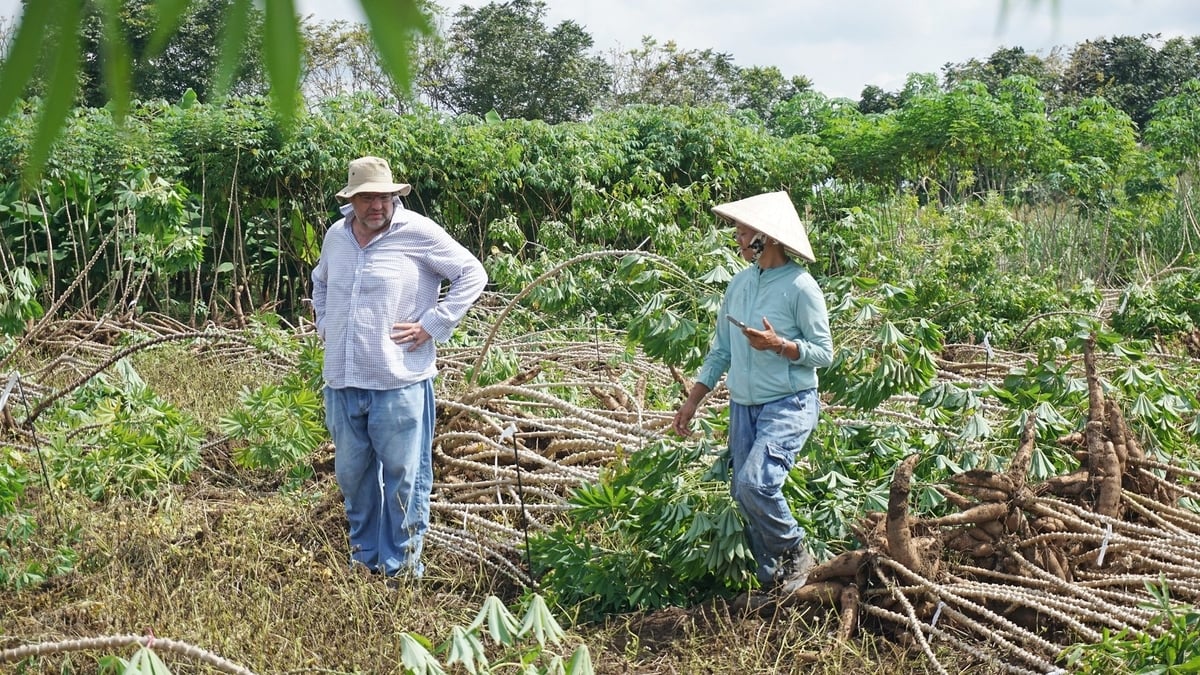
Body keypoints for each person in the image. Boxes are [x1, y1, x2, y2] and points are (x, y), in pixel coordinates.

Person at [311, 156, 487, 579]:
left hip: (398, 382)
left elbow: (471, 273)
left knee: (405, 479)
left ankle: (402, 569)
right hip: (342, 381)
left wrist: (434, 324)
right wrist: (326, 324)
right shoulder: (337, 236)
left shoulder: (417, 232)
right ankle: (364, 559)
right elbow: (320, 281)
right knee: (353, 479)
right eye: (368, 197)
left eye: (385, 197)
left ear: (395, 197)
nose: (378, 205)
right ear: (351, 200)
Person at [671, 190, 833, 595]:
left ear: (769, 238)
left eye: (745, 234)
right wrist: (693, 400)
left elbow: (824, 353)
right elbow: (721, 350)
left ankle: (795, 550)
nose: (739, 241)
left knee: (754, 483)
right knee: (742, 495)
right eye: (739, 233)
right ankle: (774, 581)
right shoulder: (739, 285)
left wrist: (779, 345)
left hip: (789, 402)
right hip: (743, 406)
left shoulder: (801, 287)